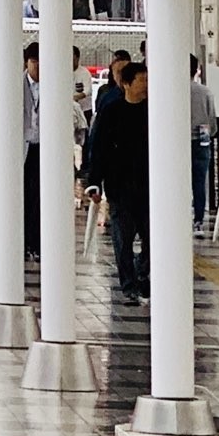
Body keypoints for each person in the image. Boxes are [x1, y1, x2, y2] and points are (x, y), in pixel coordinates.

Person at [80, 57, 152, 300]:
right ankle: (129, 284)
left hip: (149, 186)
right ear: (127, 84)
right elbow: (98, 148)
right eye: (142, 80)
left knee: (152, 237)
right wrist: (93, 182)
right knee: (123, 238)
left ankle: (143, 273)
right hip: (120, 186)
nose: (146, 85)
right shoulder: (112, 111)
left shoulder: (154, 112)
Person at [188, 56, 217, 224]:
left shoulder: (172, 90)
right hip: (202, 140)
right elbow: (212, 121)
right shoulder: (205, 92)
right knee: (199, 182)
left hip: (179, 144)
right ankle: (198, 220)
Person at [22, 44, 42, 258]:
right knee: (24, 196)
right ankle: (25, 240)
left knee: (38, 197)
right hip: (23, 148)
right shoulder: (17, 84)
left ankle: (36, 242)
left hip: (41, 149)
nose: (38, 66)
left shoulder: (53, 85)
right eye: (34, 61)